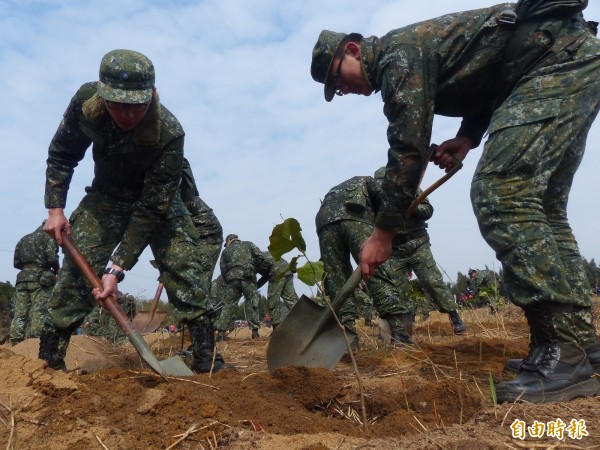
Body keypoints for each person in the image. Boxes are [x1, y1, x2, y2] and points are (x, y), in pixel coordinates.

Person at [311, 2, 600, 402]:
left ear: (354, 50)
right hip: (564, 59)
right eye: (334, 90)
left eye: (336, 78)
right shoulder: (410, 56)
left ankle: (564, 354)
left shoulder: (397, 55)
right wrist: (468, 135)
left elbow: (408, 146)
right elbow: (491, 77)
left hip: (552, 61)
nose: (341, 90)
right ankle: (580, 346)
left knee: (503, 193)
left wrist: (382, 232)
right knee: (543, 208)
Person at [40, 49, 230, 374]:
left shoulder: (169, 132)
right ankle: (49, 364)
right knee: (75, 270)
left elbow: (152, 208)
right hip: (107, 196)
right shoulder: (86, 106)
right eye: (118, 105)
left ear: (151, 96)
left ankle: (206, 360)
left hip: (158, 203)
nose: (127, 114)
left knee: (186, 269)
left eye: (137, 106)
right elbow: (62, 154)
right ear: (103, 96)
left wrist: (116, 269)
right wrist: (55, 208)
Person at [316, 175, 415, 344]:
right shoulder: (370, 181)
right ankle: (398, 332)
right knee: (376, 269)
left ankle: (348, 339)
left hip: (324, 222)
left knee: (336, 280)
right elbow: (385, 203)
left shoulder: (341, 187)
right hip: (356, 216)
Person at [374, 167, 466, 334]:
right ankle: (403, 330)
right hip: (394, 250)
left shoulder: (411, 190)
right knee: (398, 289)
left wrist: (410, 205)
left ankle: (454, 317)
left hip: (417, 244)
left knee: (432, 281)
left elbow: (428, 211)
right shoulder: (376, 200)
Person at [9, 222, 59, 345]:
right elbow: (52, 258)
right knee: (39, 310)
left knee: (20, 312)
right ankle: (34, 341)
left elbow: (16, 263)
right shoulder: (48, 238)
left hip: (22, 279)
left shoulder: (23, 239)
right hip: (40, 278)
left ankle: (16, 341)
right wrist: (57, 270)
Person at [219, 234, 273, 339]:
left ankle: (221, 333)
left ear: (229, 240)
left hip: (232, 280)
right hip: (248, 278)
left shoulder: (225, 251)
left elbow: (223, 269)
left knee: (228, 305)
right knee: (252, 303)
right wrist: (252, 269)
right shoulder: (249, 244)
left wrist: (229, 280)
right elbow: (261, 257)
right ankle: (255, 333)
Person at [264, 255, 298, 331]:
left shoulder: (252, 259)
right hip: (287, 269)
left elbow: (264, 277)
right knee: (291, 299)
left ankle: (277, 329)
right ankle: (303, 322)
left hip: (277, 271)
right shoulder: (262, 255)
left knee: (273, 300)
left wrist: (255, 287)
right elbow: (265, 276)